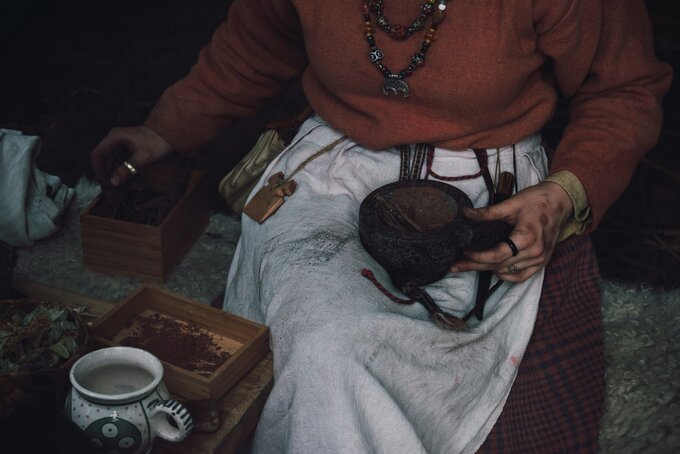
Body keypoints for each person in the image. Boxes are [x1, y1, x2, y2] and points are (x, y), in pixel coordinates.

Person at [90, 1, 672, 452]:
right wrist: (165, 130)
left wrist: (563, 195)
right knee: (327, 346)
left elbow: (622, 88)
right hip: (335, 167)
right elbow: (254, 47)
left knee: (440, 339)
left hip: (486, 176)